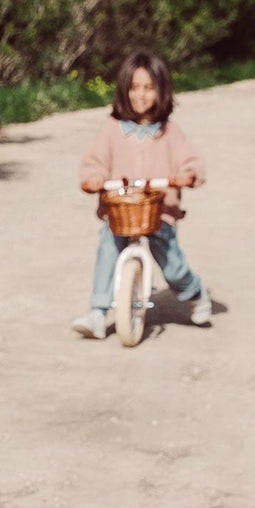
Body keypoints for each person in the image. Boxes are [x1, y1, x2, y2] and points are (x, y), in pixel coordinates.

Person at [72, 50, 212, 340]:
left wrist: (189, 174)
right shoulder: (112, 130)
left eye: (148, 88)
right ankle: (98, 312)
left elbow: (190, 159)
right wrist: (94, 177)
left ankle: (195, 292)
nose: (140, 95)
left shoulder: (169, 132)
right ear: (124, 91)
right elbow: (95, 161)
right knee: (108, 249)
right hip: (122, 210)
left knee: (173, 267)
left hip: (157, 211)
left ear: (161, 91)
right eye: (134, 88)